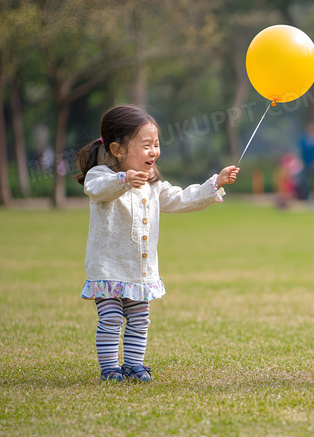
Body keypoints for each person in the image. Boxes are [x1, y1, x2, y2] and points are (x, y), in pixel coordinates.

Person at [73, 104, 240, 383]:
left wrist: (215, 183)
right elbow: (98, 190)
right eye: (146, 145)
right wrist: (124, 179)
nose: (154, 151)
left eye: (157, 144)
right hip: (109, 270)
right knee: (111, 320)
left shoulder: (153, 185)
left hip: (140, 272)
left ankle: (134, 365)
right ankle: (110, 369)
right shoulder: (100, 176)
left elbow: (181, 198)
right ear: (118, 150)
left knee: (139, 321)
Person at [298, 121, 314, 200]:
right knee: (305, 181)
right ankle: (306, 196)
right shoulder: (305, 140)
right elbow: (304, 150)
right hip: (307, 163)